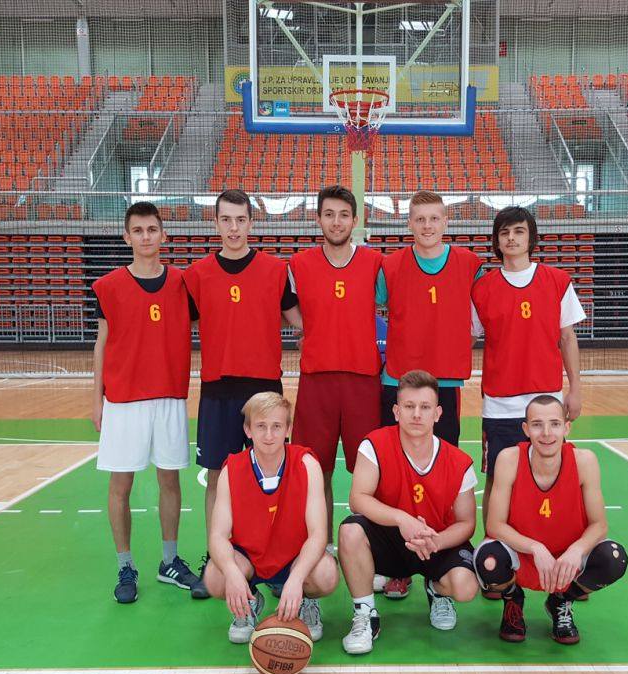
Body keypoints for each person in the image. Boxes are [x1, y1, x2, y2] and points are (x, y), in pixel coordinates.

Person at [184, 188, 301, 598]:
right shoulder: (197, 275)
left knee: (274, 476)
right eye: (226, 220)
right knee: (218, 477)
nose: (233, 228)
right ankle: (217, 560)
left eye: (240, 220)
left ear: (252, 222)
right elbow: (182, 323)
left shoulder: (275, 270)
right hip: (218, 388)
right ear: (215, 223)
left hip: (263, 389)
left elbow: (300, 319)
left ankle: (277, 560)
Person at [91, 201, 203, 604]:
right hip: (124, 400)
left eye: (152, 229)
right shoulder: (108, 286)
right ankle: (125, 565)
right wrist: (97, 399)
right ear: (127, 237)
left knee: (170, 480)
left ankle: (169, 561)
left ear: (163, 235)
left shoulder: (184, 284)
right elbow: (102, 343)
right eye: (137, 230)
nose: (145, 237)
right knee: (121, 484)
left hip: (169, 395)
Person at [374, 190, 483, 599]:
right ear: (409, 224)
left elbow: (489, 311)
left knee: (443, 481)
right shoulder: (390, 266)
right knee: (394, 479)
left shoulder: (469, 265)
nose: (427, 226)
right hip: (399, 382)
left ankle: (440, 565)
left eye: (434, 218)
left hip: (446, 384)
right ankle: (398, 565)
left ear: (445, 222)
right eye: (419, 219)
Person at [337, 370, 479, 655]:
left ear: (437, 413)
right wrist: (402, 519)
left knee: (465, 587)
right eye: (409, 406)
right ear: (396, 411)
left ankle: (436, 589)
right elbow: (358, 499)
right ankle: (365, 613)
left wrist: (437, 541)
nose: (416, 414)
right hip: (390, 539)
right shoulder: (374, 444)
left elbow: (467, 523)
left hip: (434, 541)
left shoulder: (459, 461)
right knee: (350, 530)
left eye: (425, 407)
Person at [474, 396, 628, 645]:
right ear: (526, 429)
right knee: (488, 561)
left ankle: (561, 601)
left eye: (555, 424)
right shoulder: (509, 459)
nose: (546, 433)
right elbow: (494, 525)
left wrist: (576, 550)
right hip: (524, 555)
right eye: (537, 424)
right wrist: (535, 547)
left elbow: (599, 524)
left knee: (614, 558)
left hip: (566, 558)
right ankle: (513, 600)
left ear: (566, 428)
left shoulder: (584, 461)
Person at [471, 206, 585, 524]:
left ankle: (549, 537)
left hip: (546, 401)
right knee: (497, 478)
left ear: (531, 238)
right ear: (496, 240)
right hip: (499, 404)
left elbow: (567, 337)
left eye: (519, 231)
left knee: (550, 478)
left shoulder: (557, 281)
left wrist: (575, 390)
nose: (511, 238)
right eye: (504, 232)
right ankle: (492, 546)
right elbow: (467, 338)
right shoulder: (482, 288)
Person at [203, 392, 339, 643]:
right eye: (261, 426)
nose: (268, 435)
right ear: (248, 430)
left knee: (326, 573)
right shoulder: (232, 469)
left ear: (288, 429)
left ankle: (306, 601)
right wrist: (232, 573)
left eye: (276, 426)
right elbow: (218, 535)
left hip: (294, 558)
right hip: (250, 558)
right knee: (214, 577)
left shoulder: (306, 464)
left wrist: (297, 578)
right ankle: (248, 602)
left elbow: (318, 534)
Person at [289, 185, 383, 543]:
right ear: (318, 219)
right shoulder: (299, 264)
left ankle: (370, 548)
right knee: (316, 471)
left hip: (363, 381)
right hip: (317, 381)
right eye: (329, 214)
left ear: (355, 220)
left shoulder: (375, 263)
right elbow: (283, 305)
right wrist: (309, 328)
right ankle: (322, 547)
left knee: (369, 473)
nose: (336, 221)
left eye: (344, 215)